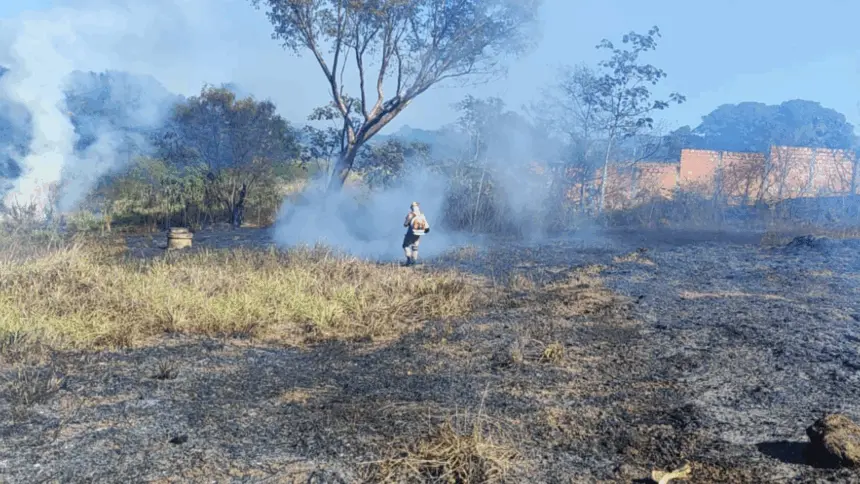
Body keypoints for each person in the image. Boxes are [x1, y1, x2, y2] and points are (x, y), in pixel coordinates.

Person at [402, 201, 430, 265]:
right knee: (415, 247)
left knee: (405, 245)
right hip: (419, 233)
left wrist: (408, 222)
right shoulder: (422, 215)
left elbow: (405, 224)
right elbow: (427, 227)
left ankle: (408, 259)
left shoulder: (410, 215)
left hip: (411, 232)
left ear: (412, 208)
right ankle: (414, 261)